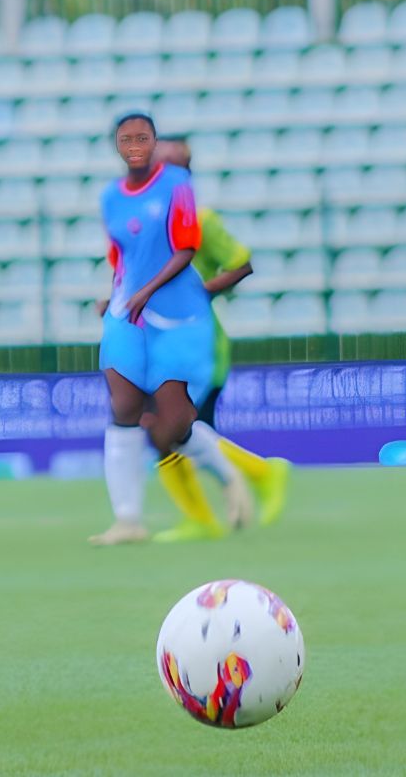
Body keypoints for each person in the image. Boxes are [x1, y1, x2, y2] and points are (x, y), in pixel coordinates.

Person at [91, 113, 246, 546]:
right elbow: (122, 259)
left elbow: (206, 253)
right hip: (134, 316)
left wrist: (171, 293)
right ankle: (130, 520)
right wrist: (118, 300)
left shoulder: (185, 195)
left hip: (182, 323)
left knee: (169, 425)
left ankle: (226, 480)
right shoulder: (113, 198)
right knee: (128, 412)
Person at [155, 134, 290, 527]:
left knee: (175, 430)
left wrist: (197, 293)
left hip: (197, 344)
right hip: (155, 342)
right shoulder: (143, 225)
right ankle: (245, 488)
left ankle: (215, 510)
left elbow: (241, 264)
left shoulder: (199, 220)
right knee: (173, 432)